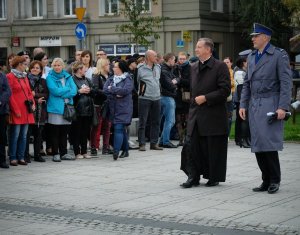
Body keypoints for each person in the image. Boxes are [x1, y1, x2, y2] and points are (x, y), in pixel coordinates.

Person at [239, 23, 292, 194]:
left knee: (268, 143)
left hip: (271, 103)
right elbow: (247, 83)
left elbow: (286, 83)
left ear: (266, 38)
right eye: (253, 36)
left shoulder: (278, 55)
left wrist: (282, 107)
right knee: (257, 144)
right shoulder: (253, 56)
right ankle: (265, 179)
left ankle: (274, 180)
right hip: (254, 104)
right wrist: (242, 104)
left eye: (256, 36)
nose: (253, 39)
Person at [180, 38, 231, 188]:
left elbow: (225, 90)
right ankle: (193, 177)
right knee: (191, 147)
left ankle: (213, 177)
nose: (196, 50)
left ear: (208, 49)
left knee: (212, 148)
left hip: (213, 114)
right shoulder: (193, 66)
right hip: (196, 114)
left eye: (199, 47)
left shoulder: (220, 66)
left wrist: (206, 98)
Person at [7, 56, 36, 166]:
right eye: (25, 64)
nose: (26, 66)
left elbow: (29, 92)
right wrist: (15, 109)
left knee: (24, 135)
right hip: (17, 110)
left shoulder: (24, 77)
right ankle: (13, 157)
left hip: (26, 110)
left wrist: (32, 103)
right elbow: (9, 95)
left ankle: (21, 156)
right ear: (19, 64)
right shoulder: (9, 76)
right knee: (15, 135)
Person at [46, 58, 77, 162]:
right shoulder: (49, 77)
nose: (57, 67)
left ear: (62, 66)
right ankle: (56, 153)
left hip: (67, 107)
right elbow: (54, 91)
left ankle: (64, 153)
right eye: (55, 65)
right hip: (55, 108)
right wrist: (67, 89)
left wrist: (63, 91)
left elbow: (74, 91)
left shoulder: (68, 76)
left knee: (64, 132)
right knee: (55, 133)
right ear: (52, 67)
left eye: (59, 65)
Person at [103, 60, 133, 160]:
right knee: (121, 129)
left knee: (118, 128)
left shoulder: (127, 79)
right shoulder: (111, 79)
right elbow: (105, 90)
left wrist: (112, 89)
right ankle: (126, 150)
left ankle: (116, 151)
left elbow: (125, 91)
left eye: (115, 67)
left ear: (121, 68)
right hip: (113, 108)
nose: (113, 68)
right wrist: (115, 91)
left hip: (124, 108)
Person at [137, 50, 163, 151]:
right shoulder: (140, 68)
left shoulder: (158, 67)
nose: (156, 57)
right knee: (143, 121)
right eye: (154, 56)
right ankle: (142, 144)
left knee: (156, 121)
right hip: (144, 98)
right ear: (148, 57)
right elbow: (137, 81)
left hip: (157, 97)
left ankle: (154, 143)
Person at [71, 61, 95, 159]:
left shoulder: (88, 80)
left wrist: (90, 91)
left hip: (88, 109)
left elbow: (94, 92)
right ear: (79, 69)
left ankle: (84, 151)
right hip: (77, 109)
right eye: (83, 68)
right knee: (77, 132)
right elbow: (70, 94)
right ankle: (77, 152)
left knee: (85, 132)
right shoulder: (72, 80)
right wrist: (79, 92)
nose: (85, 70)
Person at [90, 58, 113, 156]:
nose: (110, 66)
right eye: (108, 64)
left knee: (107, 127)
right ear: (103, 65)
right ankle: (94, 147)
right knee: (97, 126)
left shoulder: (110, 76)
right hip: (99, 105)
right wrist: (107, 92)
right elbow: (95, 89)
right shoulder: (96, 75)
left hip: (108, 104)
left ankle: (106, 147)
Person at [27, 60, 49, 162]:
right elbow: (26, 95)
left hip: (40, 112)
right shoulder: (26, 79)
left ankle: (37, 155)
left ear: (40, 70)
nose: (35, 69)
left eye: (37, 68)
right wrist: (36, 100)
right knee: (27, 135)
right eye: (33, 67)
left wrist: (35, 95)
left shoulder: (43, 81)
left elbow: (46, 95)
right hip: (29, 110)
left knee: (38, 135)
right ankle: (25, 155)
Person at [159, 53, 178, 148]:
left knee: (168, 120)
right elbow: (170, 84)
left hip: (165, 97)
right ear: (170, 59)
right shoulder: (164, 70)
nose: (174, 62)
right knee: (170, 121)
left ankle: (162, 140)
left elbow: (176, 79)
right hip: (167, 97)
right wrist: (175, 83)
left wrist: (175, 81)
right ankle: (165, 141)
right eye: (174, 60)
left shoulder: (167, 69)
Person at [173, 51, 191, 146]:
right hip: (177, 96)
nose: (182, 60)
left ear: (186, 59)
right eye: (180, 59)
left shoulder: (190, 68)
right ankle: (181, 139)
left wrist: (180, 81)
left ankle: (187, 138)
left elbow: (191, 82)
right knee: (178, 119)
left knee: (187, 119)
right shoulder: (175, 68)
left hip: (187, 96)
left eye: (183, 59)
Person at [233, 56, 251, 148]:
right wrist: (243, 102)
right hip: (241, 99)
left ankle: (242, 139)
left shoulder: (244, 72)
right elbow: (241, 88)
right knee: (244, 119)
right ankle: (243, 140)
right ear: (243, 63)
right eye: (247, 61)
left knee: (241, 120)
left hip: (243, 99)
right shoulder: (240, 73)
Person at [0, 72, 11, 168]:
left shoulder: (2, 76)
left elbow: (7, 91)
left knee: (2, 137)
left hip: (1, 110)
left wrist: (0, 100)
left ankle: (2, 160)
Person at [223, 57, 235, 136]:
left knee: (229, 117)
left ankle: (227, 134)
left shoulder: (233, 72)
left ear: (231, 63)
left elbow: (233, 83)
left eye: (227, 62)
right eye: (224, 62)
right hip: (222, 97)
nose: (225, 64)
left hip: (230, 96)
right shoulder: (221, 72)